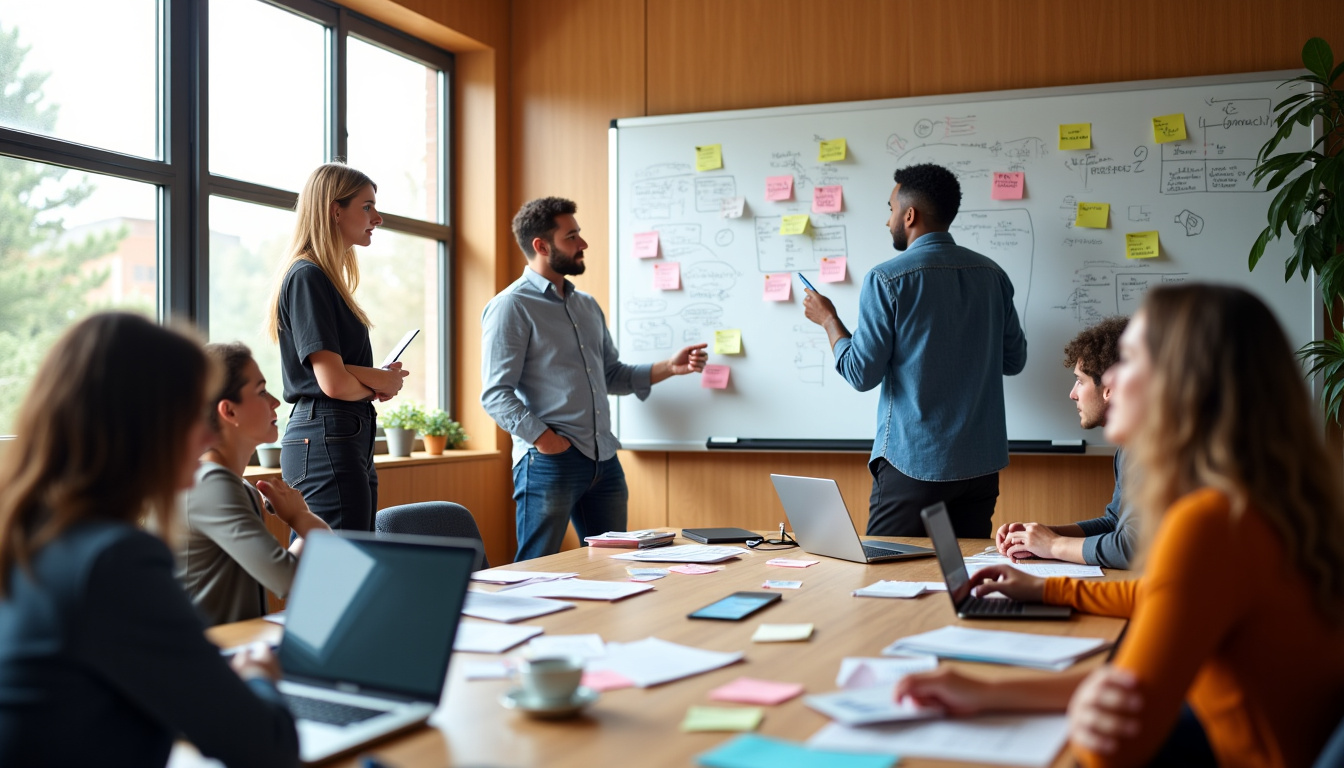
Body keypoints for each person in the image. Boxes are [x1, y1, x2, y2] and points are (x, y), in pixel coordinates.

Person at [895, 284, 1344, 768]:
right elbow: (1162, 599)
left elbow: (1112, 744)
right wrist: (1033, 615)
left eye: (1127, 359)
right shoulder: (1265, 504)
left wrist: (1061, 712)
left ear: (1180, 384)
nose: (1108, 378)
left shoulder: (1212, 524)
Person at [0, 312, 298, 767]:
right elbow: (267, 747)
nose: (204, 435)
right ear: (141, 426)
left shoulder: (34, 534)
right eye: (188, 413)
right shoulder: (114, 561)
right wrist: (257, 675)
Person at [802, 163, 1027, 538]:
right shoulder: (993, 275)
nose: (887, 219)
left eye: (890, 209)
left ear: (909, 215)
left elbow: (861, 374)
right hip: (981, 468)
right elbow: (1014, 361)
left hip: (915, 464)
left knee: (884, 577)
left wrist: (828, 320)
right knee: (959, 579)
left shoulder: (887, 278)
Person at [482, 197, 709, 560]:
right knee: (536, 566)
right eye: (571, 236)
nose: (582, 244)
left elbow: (611, 376)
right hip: (550, 461)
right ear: (541, 246)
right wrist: (546, 441)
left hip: (604, 460)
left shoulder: (586, 305)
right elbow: (495, 394)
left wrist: (671, 366)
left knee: (613, 564)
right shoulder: (512, 306)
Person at [266, 163, 408, 532]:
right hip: (327, 433)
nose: (377, 217)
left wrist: (370, 379)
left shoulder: (322, 278)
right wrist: (379, 380)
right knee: (341, 567)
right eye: (367, 206)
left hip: (341, 433)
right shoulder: (307, 275)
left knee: (348, 562)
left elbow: (338, 375)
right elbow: (332, 382)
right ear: (335, 209)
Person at [177, 342, 332, 626]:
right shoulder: (213, 484)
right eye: (261, 391)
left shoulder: (229, 484)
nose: (275, 401)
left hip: (234, 650)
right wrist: (302, 518)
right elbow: (288, 580)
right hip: (203, 660)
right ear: (229, 412)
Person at [995, 316, 1137, 568]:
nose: (1072, 394)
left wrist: (1053, 545)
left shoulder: (1157, 449)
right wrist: (1040, 536)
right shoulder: (1130, 445)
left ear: (1109, 388)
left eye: (1080, 381)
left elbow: (1132, 548)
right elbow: (1114, 523)